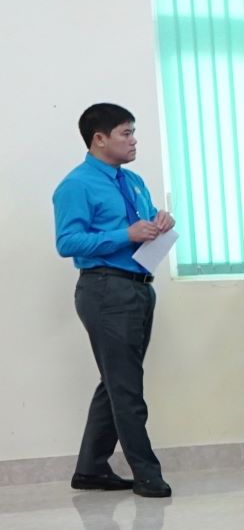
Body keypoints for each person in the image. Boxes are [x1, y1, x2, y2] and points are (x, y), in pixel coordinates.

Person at [54, 103, 176, 498]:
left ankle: (91, 469)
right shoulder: (76, 185)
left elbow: (144, 225)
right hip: (106, 289)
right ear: (99, 139)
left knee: (116, 381)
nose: (134, 140)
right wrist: (126, 235)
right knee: (126, 387)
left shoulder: (133, 180)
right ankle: (147, 475)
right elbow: (67, 242)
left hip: (138, 286)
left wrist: (160, 223)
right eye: (126, 133)